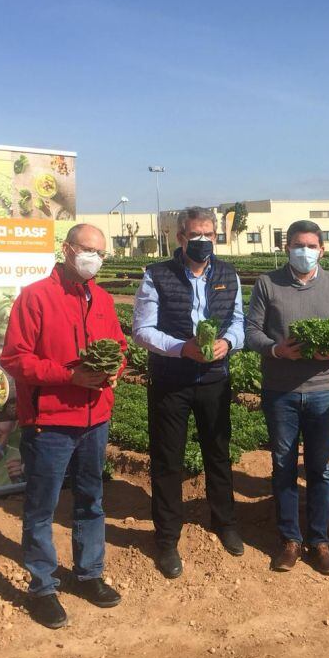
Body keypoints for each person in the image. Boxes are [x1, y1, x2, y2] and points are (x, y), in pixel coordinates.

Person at [0, 224, 127, 628]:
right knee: (42, 506)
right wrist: (69, 376)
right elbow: (15, 359)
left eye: (101, 253)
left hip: (95, 418)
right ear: (68, 249)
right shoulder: (35, 297)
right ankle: (42, 586)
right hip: (50, 421)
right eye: (88, 250)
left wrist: (115, 368)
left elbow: (120, 346)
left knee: (91, 499)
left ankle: (89, 573)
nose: (94, 259)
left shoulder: (102, 299)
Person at [132, 207, 245, 579]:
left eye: (209, 235)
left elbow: (238, 322)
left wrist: (229, 342)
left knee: (218, 453)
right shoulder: (157, 275)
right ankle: (167, 539)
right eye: (196, 235)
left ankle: (225, 522)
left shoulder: (228, 274)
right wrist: (182, 348)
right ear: (180, 238)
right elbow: (142, 330)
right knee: (168, 461)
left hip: (214, 378)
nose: (203, 241)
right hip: (171, 381)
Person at [245, 220, 329, 574]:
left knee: (321, 468)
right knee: (283, 465)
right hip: (281, 392)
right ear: (287, 248)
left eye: (310, 245)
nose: (304, 251)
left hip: (323, 390)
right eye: (297, 245)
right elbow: (251, 331)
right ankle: (290, 540)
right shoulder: (267, 283)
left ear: (322, 250)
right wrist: (276, 350)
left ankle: (320, 541)